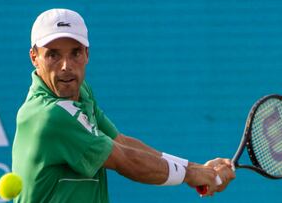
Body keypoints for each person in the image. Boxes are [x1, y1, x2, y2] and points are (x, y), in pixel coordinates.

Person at [12, 8, 235, 203]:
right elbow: (125, 160)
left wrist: (198, 169)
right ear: (34, 57)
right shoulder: (49, 116)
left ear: (87, 54)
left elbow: (120, 142)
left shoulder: (80, 93)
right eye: (53, 55)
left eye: (75, 53)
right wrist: (191, 174)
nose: (65, 66)